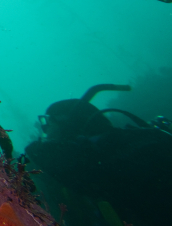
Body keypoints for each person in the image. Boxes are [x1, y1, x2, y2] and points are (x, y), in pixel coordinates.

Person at [26, 84, 172, 226]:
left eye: (49, 122)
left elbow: (47, 155)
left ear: (69, 125)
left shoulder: (107, 150)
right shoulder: (124, 141)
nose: (44, 130)